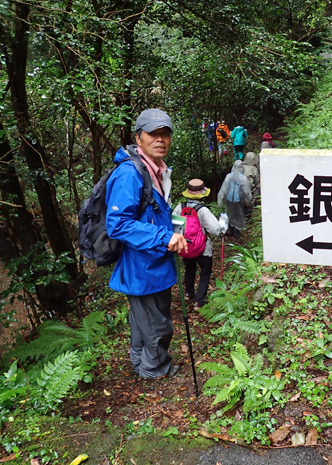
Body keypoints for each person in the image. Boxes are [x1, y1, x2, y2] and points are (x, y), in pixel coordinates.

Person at [106, 108, 187, 380]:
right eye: (153, 134)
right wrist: (165, 237)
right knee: (157, 324)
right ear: (139, 138)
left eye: (165, 134)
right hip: (143, 267)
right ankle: (154, 370)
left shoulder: (155, 171)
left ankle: (141, 364)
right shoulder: (130, 174)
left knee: (143, 321)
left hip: (153, 262)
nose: (160, 139)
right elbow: (117, 224)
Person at [172, 179, 223, 310]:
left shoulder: (180, 207)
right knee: (205, 272)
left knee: (189, 269)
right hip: (202, 248)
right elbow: (214, 229)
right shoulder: (202, 210)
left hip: (186, 246)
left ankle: (188, 293)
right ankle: (199, 301)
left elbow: (174, 227)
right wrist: (222, 225)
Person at [217, 160, 253, 235]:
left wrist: (220, 200)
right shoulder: (243, 178)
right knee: (238, 215)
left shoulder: (228, 176)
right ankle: (236, 231)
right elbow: (247, 191)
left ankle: (230, 229)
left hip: (228, 199)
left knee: (229, 214)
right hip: (238, 200)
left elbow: (223, 189)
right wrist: (249, 199)